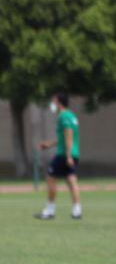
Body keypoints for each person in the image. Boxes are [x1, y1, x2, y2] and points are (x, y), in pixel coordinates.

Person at [34, 91, 82, 220]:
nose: (52, 105)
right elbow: (64, 138)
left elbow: (69, 134)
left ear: (59, 103)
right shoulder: (72, 115)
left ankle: (50, 210)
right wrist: (49, 145)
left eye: (53, 102)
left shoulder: (63, 116)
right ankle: (77, 211)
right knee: (71, 180)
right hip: (73, 152)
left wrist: (68, 156)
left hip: (64, 154)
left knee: (50, 178)